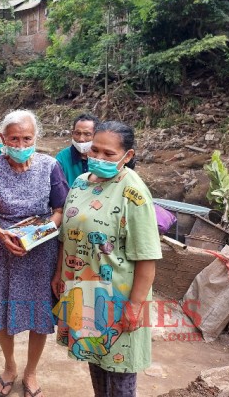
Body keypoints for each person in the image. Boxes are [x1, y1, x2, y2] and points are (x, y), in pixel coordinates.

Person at [52, 121, 162, 397]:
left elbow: (147, 256)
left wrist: (135, 306)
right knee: (96, 362)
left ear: (128, 155)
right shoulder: (79, 183)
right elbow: (66, 236)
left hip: (118, 298)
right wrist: (59, 275)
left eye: (109, 154)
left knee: (120, 373)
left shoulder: (133, 193)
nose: (99, 158)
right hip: (83, 292)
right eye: (95, 150)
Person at [0, 110, 69, 397]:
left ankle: (31, 371)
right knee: (2, 310)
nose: (20, 145)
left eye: (27, 138)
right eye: (14, 139)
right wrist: (0, 233)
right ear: (3, 138)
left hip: (41, 252)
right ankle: (9, 367)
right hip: (2, 248)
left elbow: (60, 210)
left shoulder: (50, 166)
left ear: (36, 138)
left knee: (38, 313)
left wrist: (37, 235)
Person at [55, 113, 100, 187]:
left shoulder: (103, 159)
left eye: (87, 134)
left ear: (97, 135)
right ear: (72, 133)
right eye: (77, 133)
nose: (81, 139)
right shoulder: (62, 158)